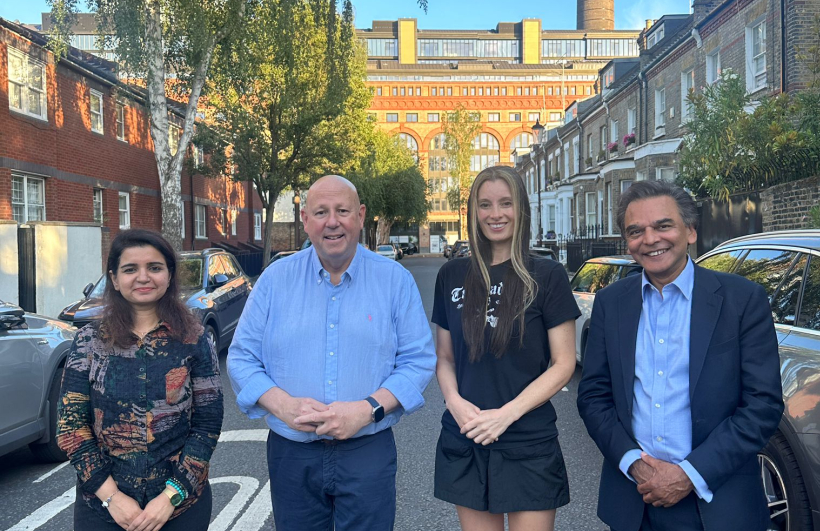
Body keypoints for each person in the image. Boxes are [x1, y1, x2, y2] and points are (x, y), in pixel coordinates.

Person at [227, 175, 435, 531]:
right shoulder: (274, 281)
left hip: (367, 450)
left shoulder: (395, 280)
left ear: (360, 215)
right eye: (321, 212)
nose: (332, 222)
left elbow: (417, 360)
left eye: (342, 210)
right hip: (292, 453)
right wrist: (283, 405)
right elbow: (242, 358)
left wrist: (366, 409)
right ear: (306, 219)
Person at [576, 180, 784, 531]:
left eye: (663, 225)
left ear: (690, 231)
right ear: (628, 243)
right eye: (636, 231)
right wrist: (634, 464)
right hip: (634, 502)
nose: (651, 239)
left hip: (718, 504)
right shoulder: (612, 303)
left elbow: (763, 405)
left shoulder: (742, 300)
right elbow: (594, 396)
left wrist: (688, 474)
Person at [431, 166, 579, 531]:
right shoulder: (452, 275)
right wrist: (455, 403)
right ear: (473, 212)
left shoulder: (546, 275)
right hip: (467, 436)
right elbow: (445, 358)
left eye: (505, 203)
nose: (495, 214)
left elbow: (563, 364)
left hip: (528, 441)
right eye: (485, 204)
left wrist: (507, 414)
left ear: (522, 209)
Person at [57, 229, 223, 531]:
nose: (143, 277)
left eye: (154, 267)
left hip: (182, 506)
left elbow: (207, 426)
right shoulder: (88, 342)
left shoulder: (194, 338)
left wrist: (170, 497)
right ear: (115, 279)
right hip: (102, 508)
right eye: (130, 269)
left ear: (169, 275)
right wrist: (112, 498)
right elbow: (72, 428)